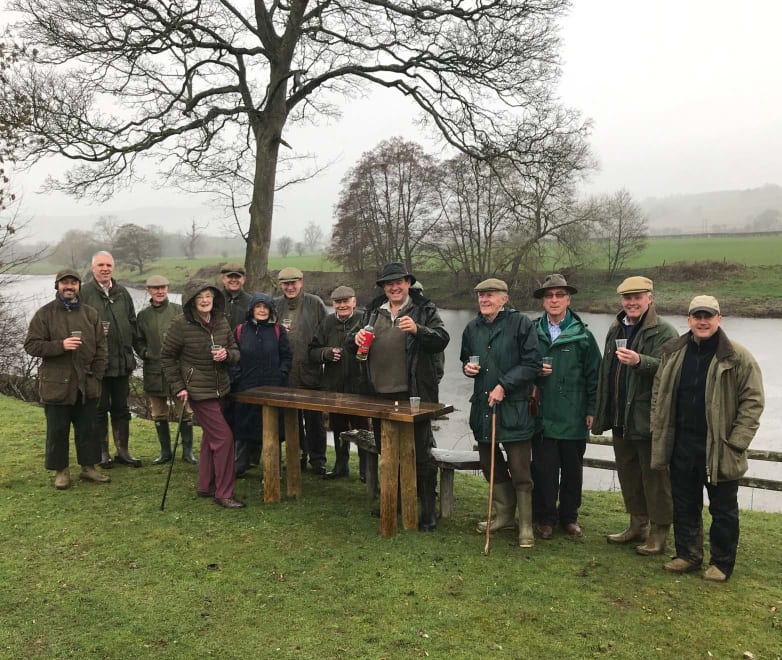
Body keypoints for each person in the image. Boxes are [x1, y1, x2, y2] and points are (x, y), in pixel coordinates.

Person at [651, 295, 764, 582]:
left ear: (719, 319)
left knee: (723, 509)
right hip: (681, 444)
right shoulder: (674, 352)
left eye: (708, 316)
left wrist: (736, 442)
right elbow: (658, 392)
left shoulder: (737, 357)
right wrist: (659, 426)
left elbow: (753, 402)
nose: (702, 321)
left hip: (720, 447)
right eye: (697, 316)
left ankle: (722, 564)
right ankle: (687, 555)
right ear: (688, 320)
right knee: (684, 503)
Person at [353, 262, 450, 531]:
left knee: (420, 453)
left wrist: (419, 330)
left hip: (414, 395)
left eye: (398, 282)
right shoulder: (373, 310)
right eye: (388, 284)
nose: (394, 287)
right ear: (384, 288)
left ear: (408, 283)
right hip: (379, 393)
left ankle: (428, 510)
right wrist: (357, 337)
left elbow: (442, 338)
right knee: (388, 452)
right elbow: (356, 342)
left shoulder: (424, 309)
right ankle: (393, 501)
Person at [593, 276, 678, 555]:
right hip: (620, 415)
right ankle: (636, 524)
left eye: (637, 297)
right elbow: (607, 370)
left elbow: (672, 369)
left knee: (654, 477)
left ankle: (659, 531)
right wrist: (601, 410)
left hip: (647, 417)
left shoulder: (664, 331)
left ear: (649, 298)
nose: (631, 302)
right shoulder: (616, 326)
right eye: (627, 298)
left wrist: (641, 361)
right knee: (628, 473)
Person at [461, 278, 541, 547]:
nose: (484, 299)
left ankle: (526, 525)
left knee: (520, 469)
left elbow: (532, 363)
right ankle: (504, 515)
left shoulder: (521, 324)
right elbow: (465, 358)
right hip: (484, 409)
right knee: (489, 465)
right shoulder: (472, 328)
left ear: (504, 299)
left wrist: (504, 385)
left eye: (490, 295)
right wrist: (467, 369)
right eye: (481, 295)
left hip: (515, 409)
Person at [23, 269, 111, 489]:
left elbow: (102, 348)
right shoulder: (45, 314)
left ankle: (89, 468)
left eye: (73, 283)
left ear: (79, 286)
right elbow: (31, 345)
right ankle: (61, 471)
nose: (69, 287)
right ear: (57, 286)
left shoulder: (91, 313)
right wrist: (60, 346)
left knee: (88, 429)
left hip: (87, 384)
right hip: (56, 385)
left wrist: (97, 376)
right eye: (65, 283)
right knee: (57, 430)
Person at [161, 280, 244, 509]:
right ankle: (224, 493)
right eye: (200, 297)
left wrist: (227, 355)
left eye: (208, 296)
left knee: (211, 438)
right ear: (191, 301)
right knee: (224, 438)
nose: (205, 300)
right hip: (197, 390)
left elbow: (236, 353)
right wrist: (179, 387)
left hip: (221, 388)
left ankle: (205, 486)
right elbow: (167, 357)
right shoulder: (180, 324)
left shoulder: (221, 321)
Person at [531, 274, 601, 539]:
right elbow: (521, 367)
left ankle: (569, 517)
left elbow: (595, 375)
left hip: (574, 415)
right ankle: (546, 518)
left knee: (572, 471)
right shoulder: (532, 332)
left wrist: (592, 409)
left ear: (568, 299)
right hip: (543, 415)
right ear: (543, 301)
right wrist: (535, 371)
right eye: (549, 296)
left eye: (560, 295)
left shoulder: (584, 335)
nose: (554, 300)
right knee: (544, 470)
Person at [80, 251, 141, 468]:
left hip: (122, 363)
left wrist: (135, 351)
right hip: (97, 366)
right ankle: (102, 453)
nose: (105, 269)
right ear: (92, 267)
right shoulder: (84, 293)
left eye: (108, 265)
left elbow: (132, 323)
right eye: (100, 265)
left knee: (122, 408)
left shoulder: (122, 292)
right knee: (99, 409)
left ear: (113, 268)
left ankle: (123, 452)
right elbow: (76, 326)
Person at [308, 285, 370, 479]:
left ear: (354, 302)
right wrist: (325, 353)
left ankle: (365, 470)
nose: (342, 305)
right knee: (338, 428)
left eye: (346, 301)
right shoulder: (326, 323)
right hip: (334, 385)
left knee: (362, 429)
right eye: (338, 302)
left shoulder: (365, 319)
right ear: (333, 304)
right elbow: (312, 351)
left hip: (360, 384)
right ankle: (341, 466)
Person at [134, 275, 196, 465]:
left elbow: (189, 337)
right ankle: (165, 452)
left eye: (163, 288)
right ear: (149, 291)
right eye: (155, 288)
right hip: (153, 370)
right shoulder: (143, 316)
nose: (160, 291)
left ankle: (187, 452)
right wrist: (145, 352)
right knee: (158, 412)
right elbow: (137, 340)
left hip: (178, 371)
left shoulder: (179, 311)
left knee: (185, 412)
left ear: (167, 289)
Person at [274, 266, 329, 474]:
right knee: (291, 418)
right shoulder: (275, 305)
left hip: (311, 370)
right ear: (281, 285)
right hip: (286, 372)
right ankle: (297, 455)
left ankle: (318, 460)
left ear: (301, 282)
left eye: (293, 283)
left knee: (314, 418)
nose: (290, 287)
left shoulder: (315, 303)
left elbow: (326, 331)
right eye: (286, 284)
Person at [231, 292, 292, 477]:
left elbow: (287, 357)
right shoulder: (241, 330)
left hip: (273, 388)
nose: (262, 310)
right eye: (258, 306)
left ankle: (273, 468)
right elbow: (234, 357)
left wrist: (280, 375)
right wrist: (238, 378)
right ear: (251, 309)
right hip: (246, 387)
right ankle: (239, 465)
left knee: (273, 428)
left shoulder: (278, 330)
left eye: (265, 307)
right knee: (243, 427)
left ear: (271, 310)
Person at [220, 263, 253, 331]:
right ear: (223, 279)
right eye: (230, 276)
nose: (234, 280)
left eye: (237, 277)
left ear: (244, 280)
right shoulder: (215, 300)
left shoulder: (251, 302)